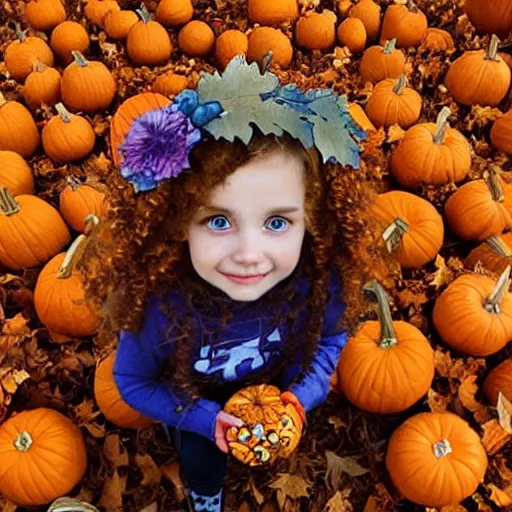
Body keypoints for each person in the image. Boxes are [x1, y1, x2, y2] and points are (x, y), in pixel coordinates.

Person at [78, 56, 390, 512]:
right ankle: (206, 497)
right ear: (179, 222)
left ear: (314, 221)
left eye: (277, 222)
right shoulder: (162, 304)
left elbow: (329, 340)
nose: (248, 253)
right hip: (197, 398)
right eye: (219, 220)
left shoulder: (317, 281)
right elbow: (132, 380)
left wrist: (300, 398)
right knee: (201, 462)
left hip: (274, 395)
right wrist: (201, 418)